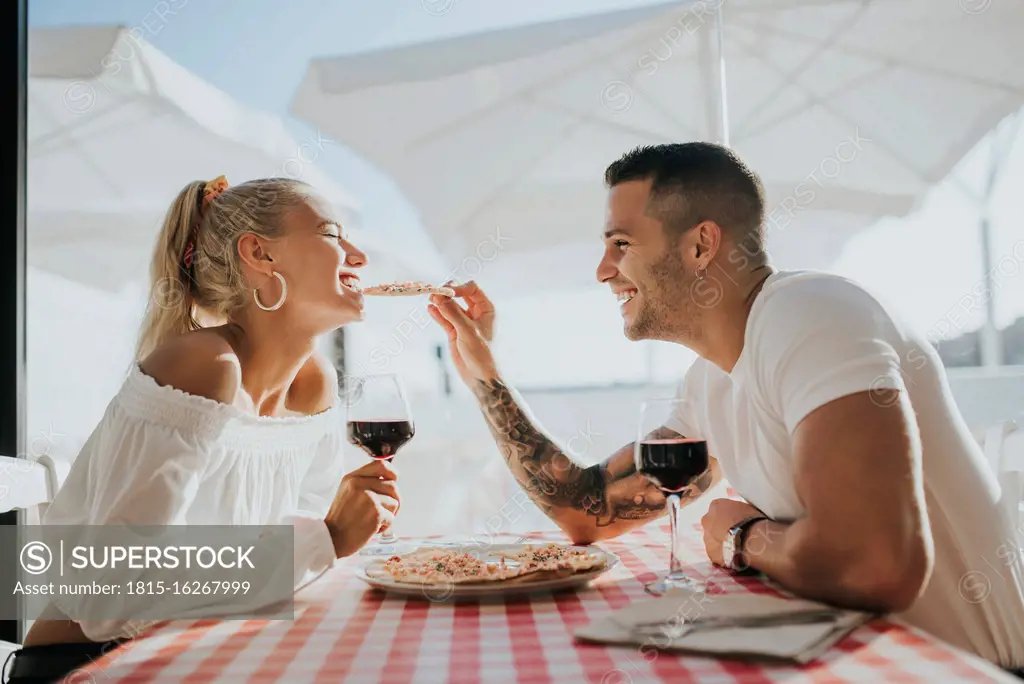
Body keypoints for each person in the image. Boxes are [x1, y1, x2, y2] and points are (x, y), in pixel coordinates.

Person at [427, 143, 1024, 673]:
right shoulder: (710, 380)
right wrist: (484, 372)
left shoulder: (813, 315)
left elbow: (875, 564)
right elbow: (587, 510)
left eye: (621, 244)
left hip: (962, 668)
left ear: (700, 245)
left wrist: (742, 537)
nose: (604, 271)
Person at [4, 176, 399, 683]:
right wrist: (327, 538)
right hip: (92, 666)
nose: (358, 256)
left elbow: (293, 558)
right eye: (331, 235)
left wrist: (340, 527)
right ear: (260, 253)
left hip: (205, 656)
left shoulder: (312, 383)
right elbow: (113, 597)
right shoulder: (202, 367)